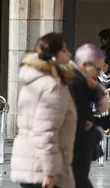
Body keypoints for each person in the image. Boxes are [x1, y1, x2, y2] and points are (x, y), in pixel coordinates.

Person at [10, 32, 77, 188]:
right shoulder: (52, 86)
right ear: (53, 56)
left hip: (29, 164)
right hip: (42, 170)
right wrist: (51, 171)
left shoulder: (34, 80)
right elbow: (45, 131)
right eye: (64, 50)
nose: (69, 55)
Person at [69, 43, 110, 188]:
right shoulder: (72, 84)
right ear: (85, 64)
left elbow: (81, 116)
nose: (99, 73)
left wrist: (100, 121)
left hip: (77, 151)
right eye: (97, 69)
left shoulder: (82, 84)